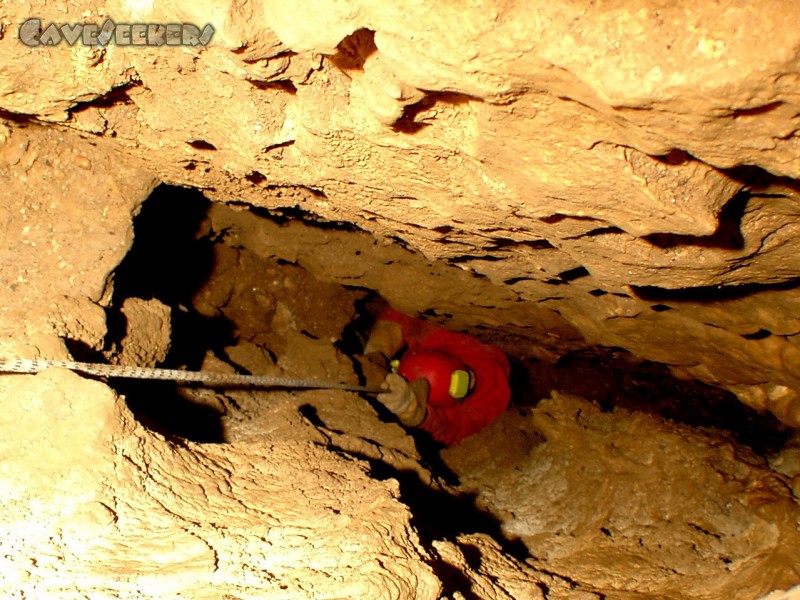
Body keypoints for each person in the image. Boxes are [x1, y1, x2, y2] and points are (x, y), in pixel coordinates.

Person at [362, 306, 511, 446]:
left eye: (462, 377)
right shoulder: (483, 407)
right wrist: (411, 411)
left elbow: (398, 313)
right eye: (460, 385)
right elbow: (449, 428)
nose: (470, 380)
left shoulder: (435, 335)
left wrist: (377, 353)